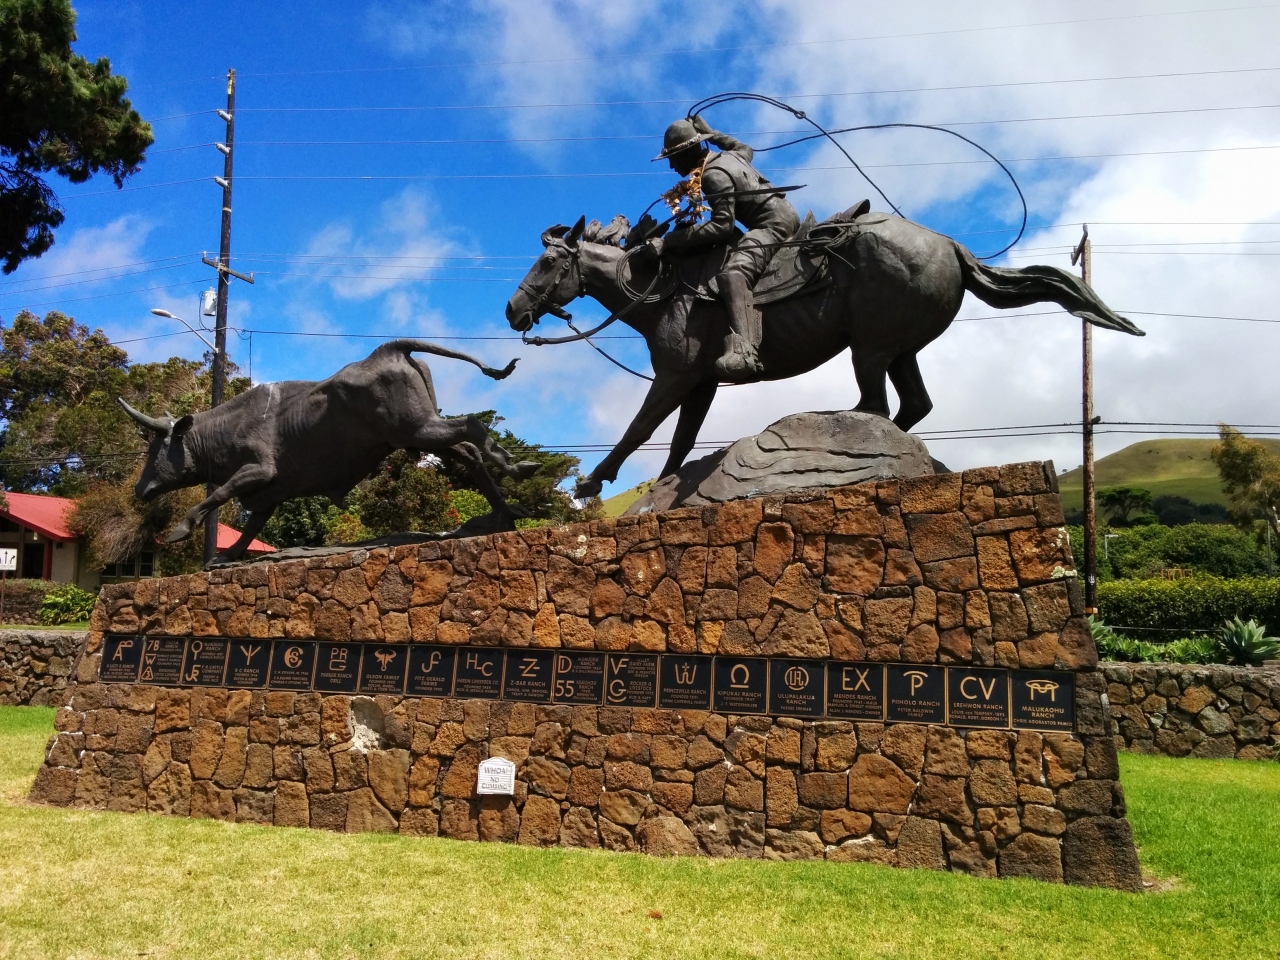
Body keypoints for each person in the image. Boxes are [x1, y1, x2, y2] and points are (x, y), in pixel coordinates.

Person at [649, 114, 800, 378]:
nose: (671, 165)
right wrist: (713, 133)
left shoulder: (713, 175)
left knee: (733, 274)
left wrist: (670, 240)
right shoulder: (730, 157)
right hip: (786, 214)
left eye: (673, 157)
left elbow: (723, 226)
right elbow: (744, 148)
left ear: (687, 152)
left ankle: (745, 350)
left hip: (772, 225)